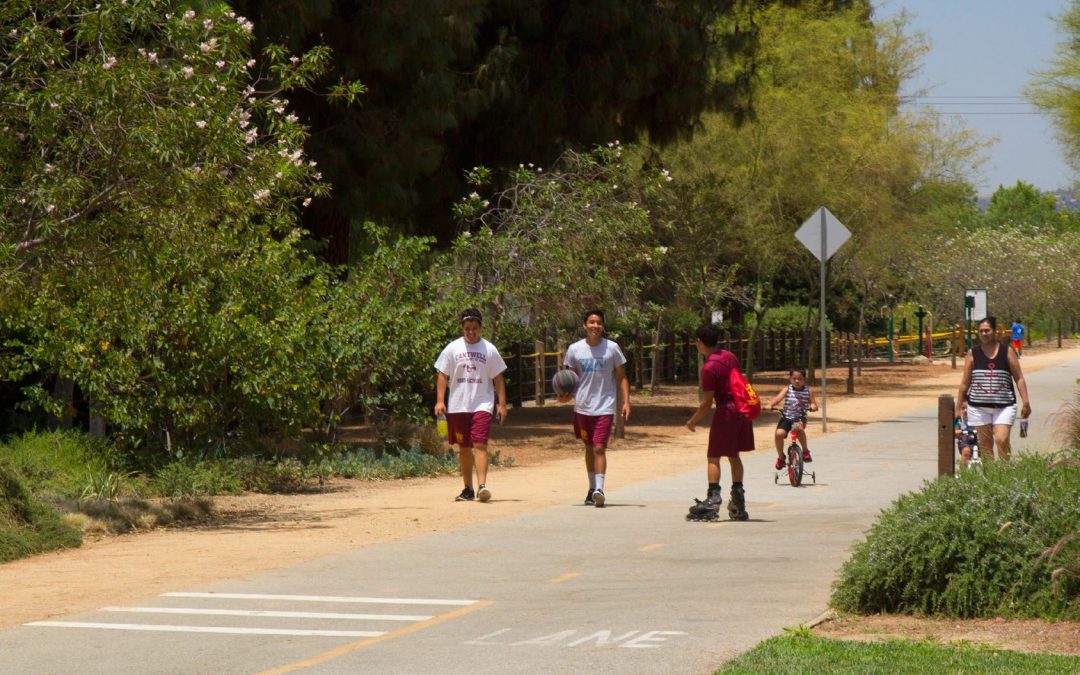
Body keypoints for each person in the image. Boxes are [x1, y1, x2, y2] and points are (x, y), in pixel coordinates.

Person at [434, 308, 508, 502]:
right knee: (464, 448)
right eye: (467, 328)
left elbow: (498, 378)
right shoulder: (452, 349)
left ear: (480, 328)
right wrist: (440, 401)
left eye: (474, 328)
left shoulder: (489, 349)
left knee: (480, 444)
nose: (471, 332)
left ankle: (482, 486)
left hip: (482, 404)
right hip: (458, 405)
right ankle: (468, 488)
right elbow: (442, 375)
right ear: (462, 328)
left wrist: (501, 404)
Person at [560, 309, 630, 508]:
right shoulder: (574, 349)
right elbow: (569, 379)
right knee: (589, 447)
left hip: (605, 407)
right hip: (582, 407)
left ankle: (600, 488)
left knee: (600, 447)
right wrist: (563, 396)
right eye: (591, 322)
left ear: (603, 326)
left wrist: (626, 401)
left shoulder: (612, 348)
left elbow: (622, 376)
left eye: (598, 322)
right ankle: (591, 489)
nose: (595, 326)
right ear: (584, 325)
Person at [685, 323, 753, 521]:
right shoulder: (730, 356)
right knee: (733, 454)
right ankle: (738, 501)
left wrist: (693, 421)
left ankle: (712, 501)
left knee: (714, 456)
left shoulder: (709, 367)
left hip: (726, 412)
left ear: (699, 342)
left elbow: (707, 402)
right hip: (742, 410)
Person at [956, 316, 1031, 461]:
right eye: (981, 331)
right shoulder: (973, 353)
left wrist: (1026, 401)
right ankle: (991, 478)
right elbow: (964, 384)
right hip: (978, 408)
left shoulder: (1007, 352)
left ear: (995, 331)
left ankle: (1005, 472)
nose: (984, 334)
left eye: (987, 330)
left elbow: (1019, 378)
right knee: (985, 446)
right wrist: (958, 408)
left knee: (1001, 440)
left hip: (1004, 406)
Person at [765, 367, 818, 471]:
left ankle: (805, 451)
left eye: (800, 378)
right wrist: (770, 404)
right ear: (790, 379)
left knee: (798, 428)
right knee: (779, 434)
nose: (797, 381)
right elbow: (778, 398)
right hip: (786, 418)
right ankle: (781, 457)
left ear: (804, 379)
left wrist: (813, 406)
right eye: (794, 378)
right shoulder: (787, 389)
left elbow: (813, 403)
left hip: (799, 418)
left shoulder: (808, 390)